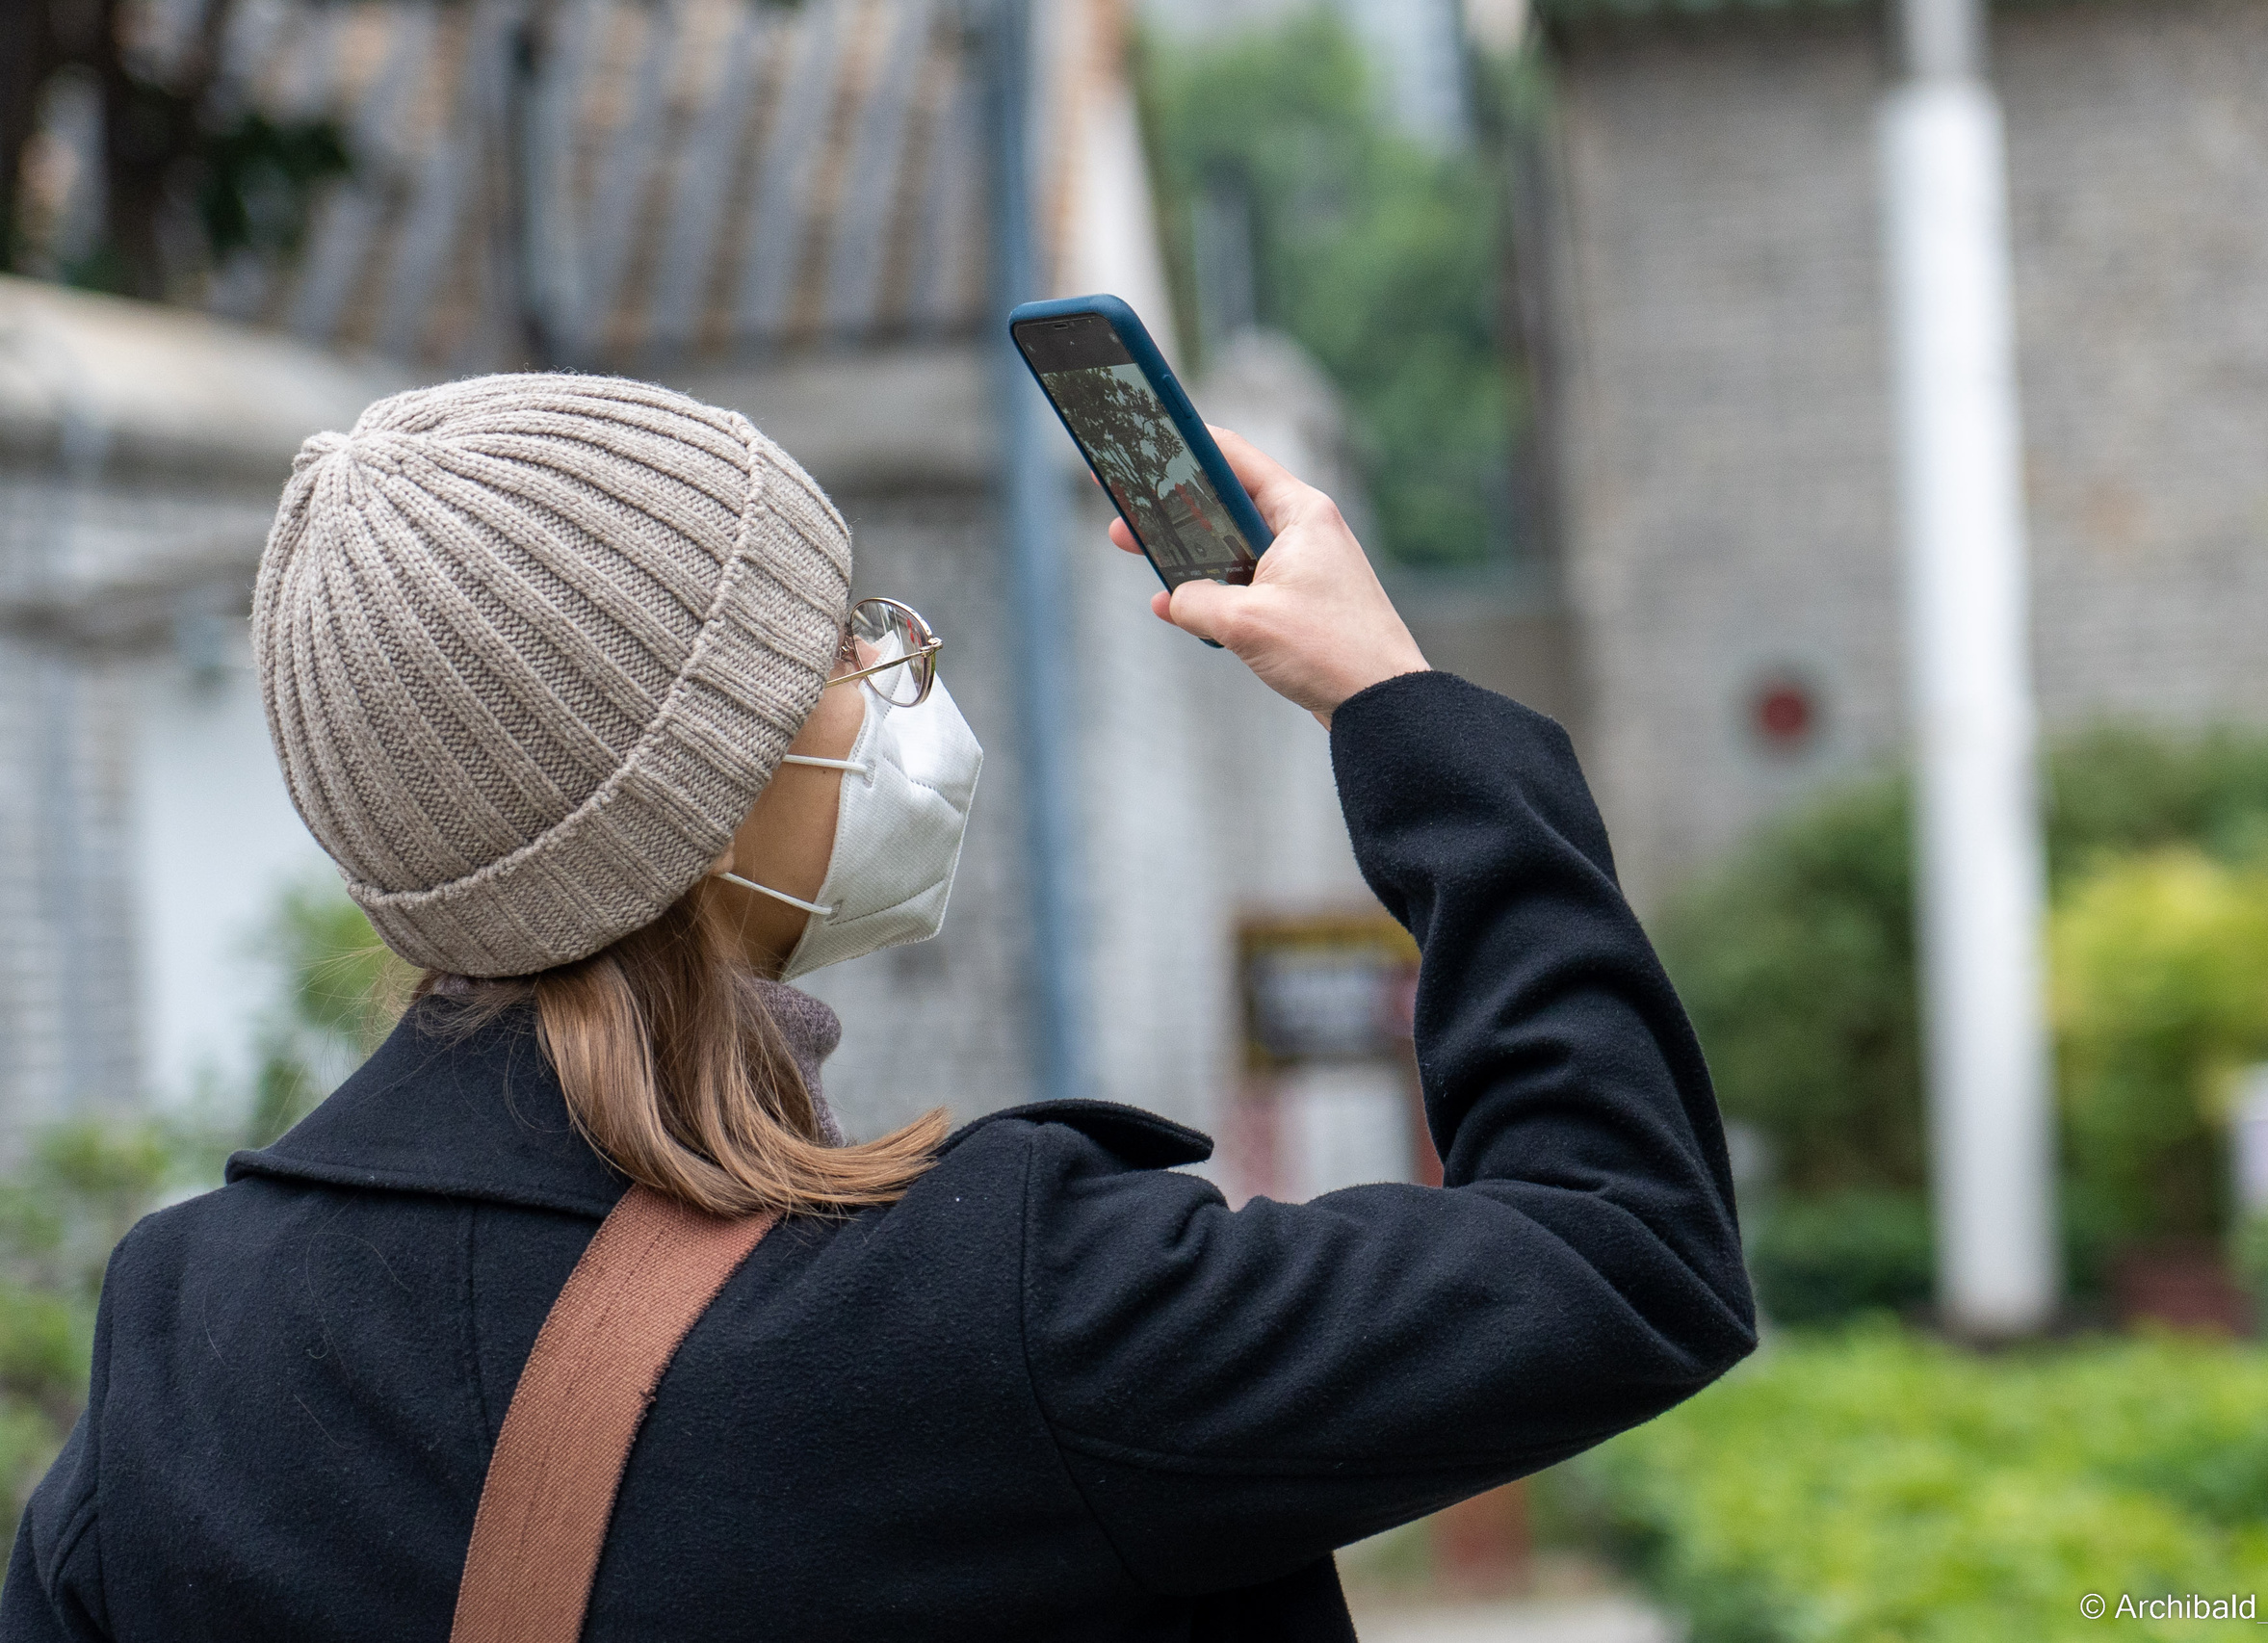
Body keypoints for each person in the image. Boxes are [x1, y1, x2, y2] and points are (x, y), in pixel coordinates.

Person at [0, 374, 1755, 1641]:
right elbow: (1625, 1251)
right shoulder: (997, 1314)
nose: (885, 679)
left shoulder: (177, 1350)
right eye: (838, 644)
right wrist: (1399, 705)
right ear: (700, 805)